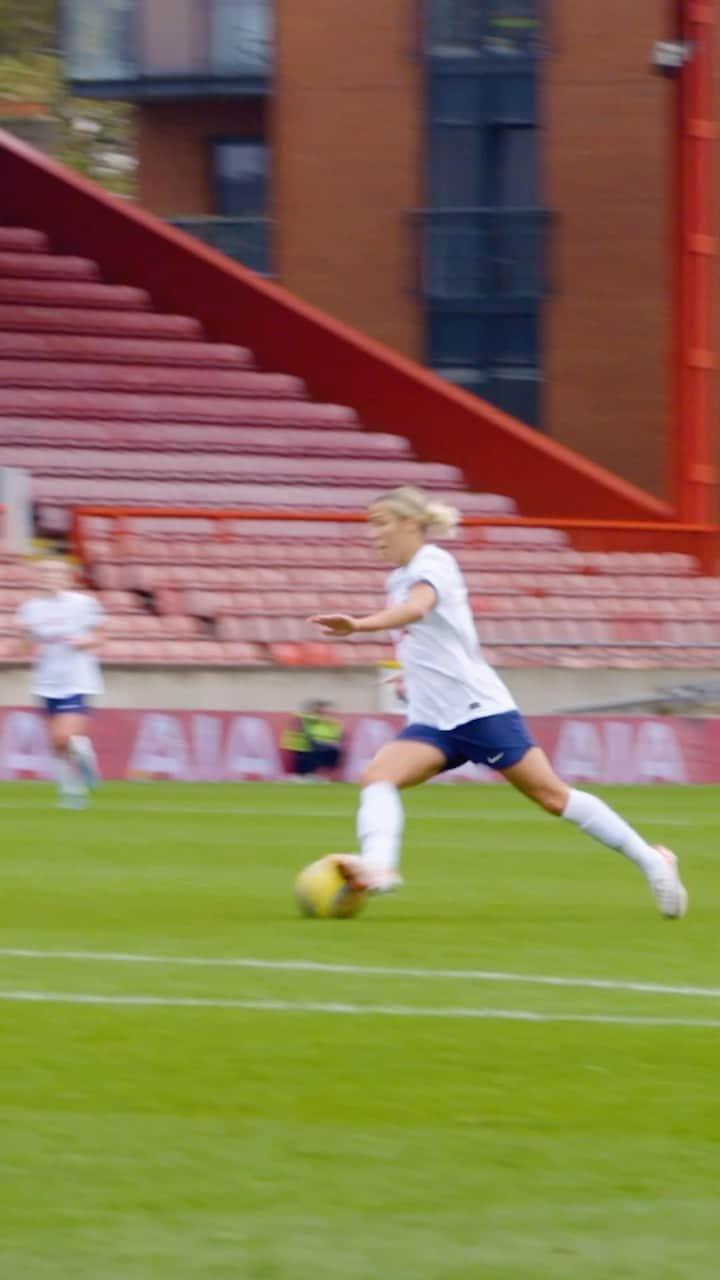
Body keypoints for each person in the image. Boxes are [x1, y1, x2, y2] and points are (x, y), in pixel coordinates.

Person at [310, 486, 687, 917]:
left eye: (380, 523)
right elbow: (432, 637)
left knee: (552, 797)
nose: (373, 534)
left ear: (410, 523)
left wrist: (359, 625)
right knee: (377, 777)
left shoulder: (433, 562)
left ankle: (652, 860)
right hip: (434, 721)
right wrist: (409, 676)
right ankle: (378, 867)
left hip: (477, 711)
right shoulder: (396, 578)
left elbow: (418, 609)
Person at [16, 558, 104, 809]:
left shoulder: (83, 604)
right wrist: (20, 639)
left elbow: (101, 636)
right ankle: (72, 791)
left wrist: (83, 642)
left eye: (55, 573)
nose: (50, 577)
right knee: (56, 742)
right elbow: (24, 646)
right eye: (45, 572)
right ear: (37, 577)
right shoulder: (30, 608)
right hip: (46, 681)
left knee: (66, 736)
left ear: (67, 578)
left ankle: (86, 755)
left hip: (77, 679)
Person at [282, 699, 344, 780]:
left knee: (328, 749)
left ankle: (312, 773)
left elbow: (338, 735)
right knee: (309, 747)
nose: (322, 710)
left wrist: (332, 740)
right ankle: (304, 774)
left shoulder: (332, 722)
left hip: (325, 744)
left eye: (323, 708)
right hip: (308, 743)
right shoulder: (306, 718)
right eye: (319, 708)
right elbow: (301, 722)